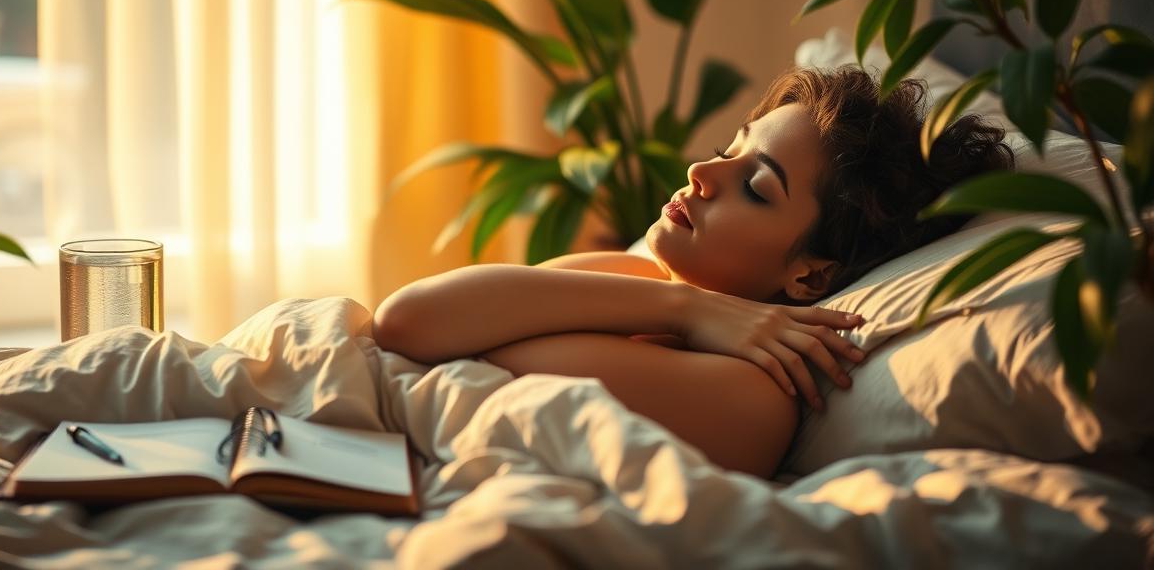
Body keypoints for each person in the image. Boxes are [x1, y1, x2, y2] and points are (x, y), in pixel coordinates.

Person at [372, 66, 1014, 478]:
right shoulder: (638, 276)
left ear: (811, 278)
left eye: (755, 186)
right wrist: (686, 307)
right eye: (725, 151)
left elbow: (419, 330)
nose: (700, 175)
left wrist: (682, 311)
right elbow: (407, 319)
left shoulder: (753, 397)